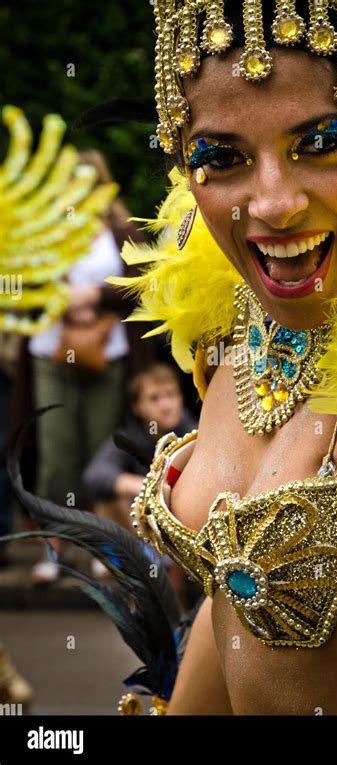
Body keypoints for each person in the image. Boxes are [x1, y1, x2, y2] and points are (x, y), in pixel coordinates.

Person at [116, 0, 337, 716]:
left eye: (322, 143)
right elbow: (233, 610)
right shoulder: (233, 328)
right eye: (222, 158)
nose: (273, 203)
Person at [27, 150, 153, 584]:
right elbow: (24, 283)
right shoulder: (42, 228)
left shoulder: (121, 230)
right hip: (50, 354)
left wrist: (94, 299)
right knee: (56, 454)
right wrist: (65, 302)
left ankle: (103, 547)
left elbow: (139, 285)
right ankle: (54, 550)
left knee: (101, 449)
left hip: (109, 353)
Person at [83, 362, 197, 530]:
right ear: (137, 407)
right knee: (109, 501)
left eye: (171, 395)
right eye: (154, 398)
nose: (165, 405)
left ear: (181, 397)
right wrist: (148, 488)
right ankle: (133, 555)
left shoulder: (196, 434)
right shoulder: (129, 437)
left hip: (187, 521)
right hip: (141, 526)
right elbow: (95, 475)